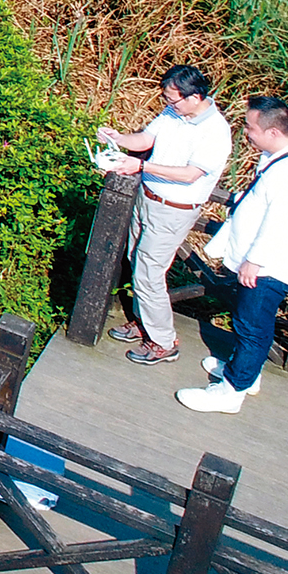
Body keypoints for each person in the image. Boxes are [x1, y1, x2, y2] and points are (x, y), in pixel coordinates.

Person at [180, 96, 288, 414]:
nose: (246, 132)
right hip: (263, 262)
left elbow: (282, 220)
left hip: (268, 266)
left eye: (250, 127)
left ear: (272, 132)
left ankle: (232, 391)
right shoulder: (281, 157)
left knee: (250, 326)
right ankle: (248, 373)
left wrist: (255, 261)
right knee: (254, 323)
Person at [104, 64, 232, 367]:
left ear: (195, 96)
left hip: (174, 209)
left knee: (149, 272)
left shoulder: (216, 132)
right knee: (137, 260)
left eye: (172, 100)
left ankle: (163, 341)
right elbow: (147, 140)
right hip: (147, 199)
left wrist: (142, 167)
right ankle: (143, 322)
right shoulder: (174, 112)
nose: (168, 104)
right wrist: (118, 137)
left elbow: (190, 175)